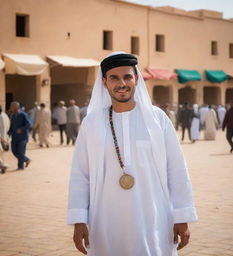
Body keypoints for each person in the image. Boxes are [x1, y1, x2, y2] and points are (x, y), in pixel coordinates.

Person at [67, 52, 197, 256]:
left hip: (153, 218)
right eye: (114, 78)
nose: (122, 83)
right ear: (104, 82)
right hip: (104, 219)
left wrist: (181, 216)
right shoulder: (91, 123)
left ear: (136, 79)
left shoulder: (157, 119)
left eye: (127, 76)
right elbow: (80, 174)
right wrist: (79, 219)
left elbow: (177, 168)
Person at [8, 102, 31, 170]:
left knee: (20, 152)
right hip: (14, 137)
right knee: (14, 151)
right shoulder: (12, 116)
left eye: (11, 106)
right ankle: (27, 159)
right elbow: (11, 127)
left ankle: (20, 166)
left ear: (16, 108)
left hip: (22, 137)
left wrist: (21, 129)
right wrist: (8, 134)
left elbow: (29, 124)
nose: (10, 107)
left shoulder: (23, 114)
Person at [0, 105, 10, 174]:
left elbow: (2, 129)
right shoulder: (4, 115)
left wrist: (3, 141)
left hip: (2, 138)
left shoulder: (1, 117)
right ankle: (2, 166)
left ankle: (3, 166)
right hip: (3, 137)